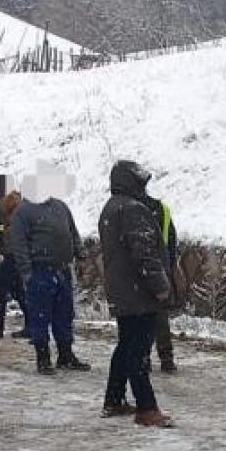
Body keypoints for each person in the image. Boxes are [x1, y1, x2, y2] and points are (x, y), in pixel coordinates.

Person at [98, 160, 174, 428]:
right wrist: (160, 287)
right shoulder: (133, 210)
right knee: (138, 351)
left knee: (126, 346)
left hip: (123, 291)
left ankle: (114, 398)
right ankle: (146, 408)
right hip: (139, 293)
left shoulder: (111, 208)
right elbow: (145, 254)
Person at [10, 171, 91, 375]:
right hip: (39, 271)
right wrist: (27, 273)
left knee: (65, 314)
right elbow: (19, 244)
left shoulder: (60, 206)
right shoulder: (23, 212)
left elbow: (72, 232)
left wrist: (80, 253)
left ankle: (65, 355)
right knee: (40, 316)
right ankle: (43, 358)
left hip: (62, 270)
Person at [0, 190, 30, 339]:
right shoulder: (22, 219)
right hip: (17, 258)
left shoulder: (13, 223)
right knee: (17, 291)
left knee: (0, 288)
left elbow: (10, 243)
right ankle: (31, 323)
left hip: (12, 258)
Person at [147, 196, 179, 373]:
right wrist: (169, 267)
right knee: (161, 317)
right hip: (161, 269)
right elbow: (172, 241)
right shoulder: (163, 210)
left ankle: (143, 358)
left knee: (141, 317)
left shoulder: (132, 209)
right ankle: (166, 359)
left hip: (140, 271)